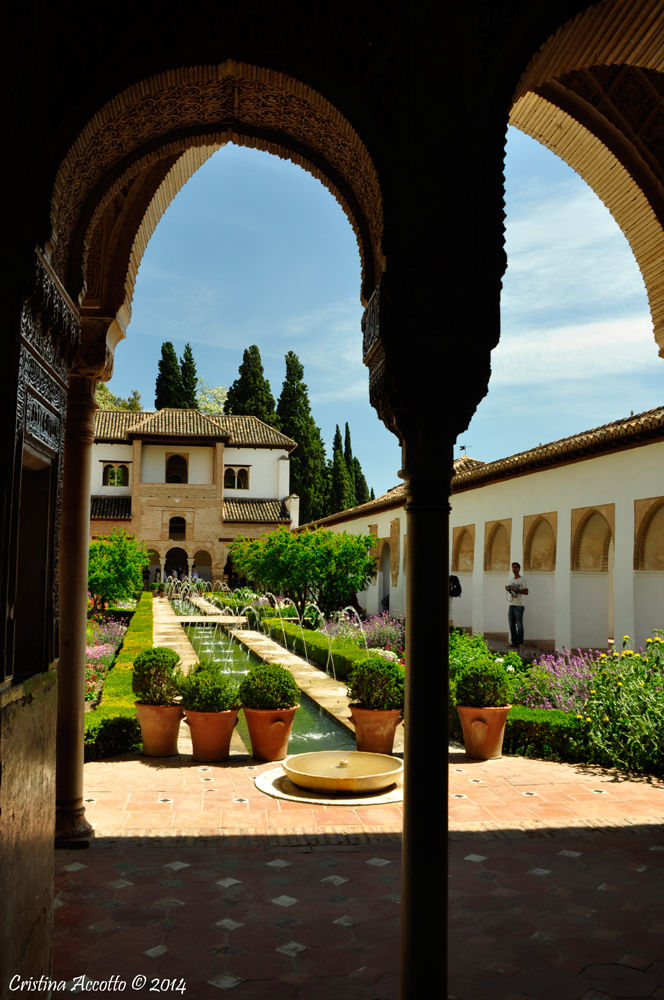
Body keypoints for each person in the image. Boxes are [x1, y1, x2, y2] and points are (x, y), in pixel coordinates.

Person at [506, 561, 528, 647]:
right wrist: (508, 589)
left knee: (519, 624)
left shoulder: (522, 579)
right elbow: (510, 588)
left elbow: (526, 591)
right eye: (513, 567)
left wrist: (516, 590)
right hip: (511, 604)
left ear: (519, 569)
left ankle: (520, 642)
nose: (514, 569)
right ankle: (514, 642)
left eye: (516, 567)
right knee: (511, 624)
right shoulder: (511, 579)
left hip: (519, 605)